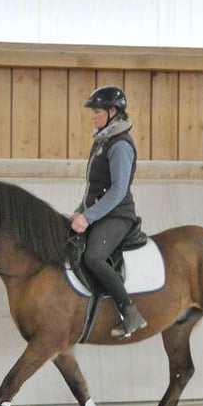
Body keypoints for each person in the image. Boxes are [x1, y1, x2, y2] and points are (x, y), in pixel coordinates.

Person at [71, 85, 148, 339]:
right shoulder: (102, 141)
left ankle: (130, 312)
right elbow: (94, 187)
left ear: (113, 111)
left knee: (93, 256)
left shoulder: (120, 145)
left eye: (97, 112)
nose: (93, 117)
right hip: (99, 211)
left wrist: (89, 216)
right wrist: (79, 211)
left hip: (118, 215)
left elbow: (117, 190)